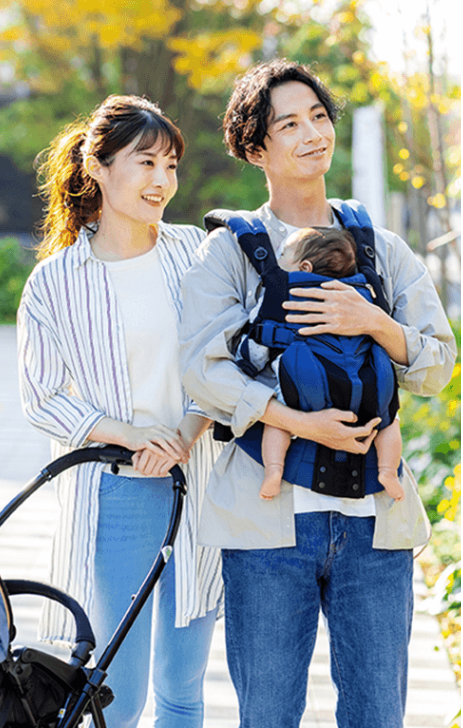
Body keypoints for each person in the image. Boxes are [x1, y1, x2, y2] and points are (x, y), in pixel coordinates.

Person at [178, 59, 456, 727]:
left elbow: (437, 364)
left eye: (320, 117)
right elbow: (200, 369)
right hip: (268, 526)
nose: (312, 135)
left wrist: (376, 324)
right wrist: (298, 423)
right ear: (255, 147)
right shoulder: (231, 252)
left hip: (374, 528)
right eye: (289, 124)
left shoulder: (381, 247)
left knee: (376, 716)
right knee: (268, 715)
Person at [17, 95, 222, 728]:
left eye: (171, 165)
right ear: (99, 167)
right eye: (145, 163)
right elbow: (43, 394)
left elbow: (223, 353)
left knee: (183, 688)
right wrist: (132, 437)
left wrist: (186, 433)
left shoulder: (196, 253)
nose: (162, 181)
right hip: (116, 494)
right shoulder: (56, 280)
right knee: (117, 695)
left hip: (200, 482)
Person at [255, 226, 404, 501]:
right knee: (390, 421)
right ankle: (388, 472)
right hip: (367, 384)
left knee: (278, 419)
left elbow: (260, 334)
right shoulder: (364, 292)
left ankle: (273, 471)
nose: (279, 257)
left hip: (308, 387)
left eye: (284, 253)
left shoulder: (287, 291)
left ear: (304, 266)